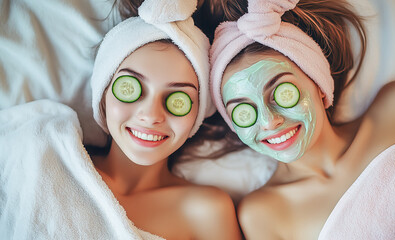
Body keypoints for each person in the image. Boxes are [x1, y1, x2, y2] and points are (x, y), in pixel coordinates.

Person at [0, 0, 241, 239]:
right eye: (131, 89)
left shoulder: (207, 211)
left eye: (178, 100)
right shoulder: (42, 159)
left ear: (197, 115)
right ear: (104, 95)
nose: (151, 115)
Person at [208, 0, 395, 239]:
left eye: (282, 94)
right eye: (243, 112)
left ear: (319, 84)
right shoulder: (263, 213)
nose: (269, 122)